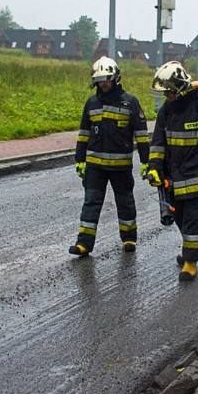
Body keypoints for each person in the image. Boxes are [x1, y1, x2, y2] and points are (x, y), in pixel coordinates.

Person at [146, 61, 198, 281]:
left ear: (180, 87)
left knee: (193, 219)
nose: (167, 96)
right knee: (180, 219)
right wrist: (154, 168)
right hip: (173, 179)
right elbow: (157, 143)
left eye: (169, 92)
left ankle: (190, 262)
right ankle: (193, 246)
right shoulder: (166, 110)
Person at [70, 57, 150, 257]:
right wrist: (79, 160)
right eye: (100, 80)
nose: (103, 83)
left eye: (107, 79)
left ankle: (129, 238)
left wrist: (146, 162)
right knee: (91, 203)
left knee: (125, 203)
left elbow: (141, 135)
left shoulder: (130, 102)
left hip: (120, 167)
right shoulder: (91, 103)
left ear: (115, 78)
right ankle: (84, 244)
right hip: (95, 167)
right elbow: (83, 134)